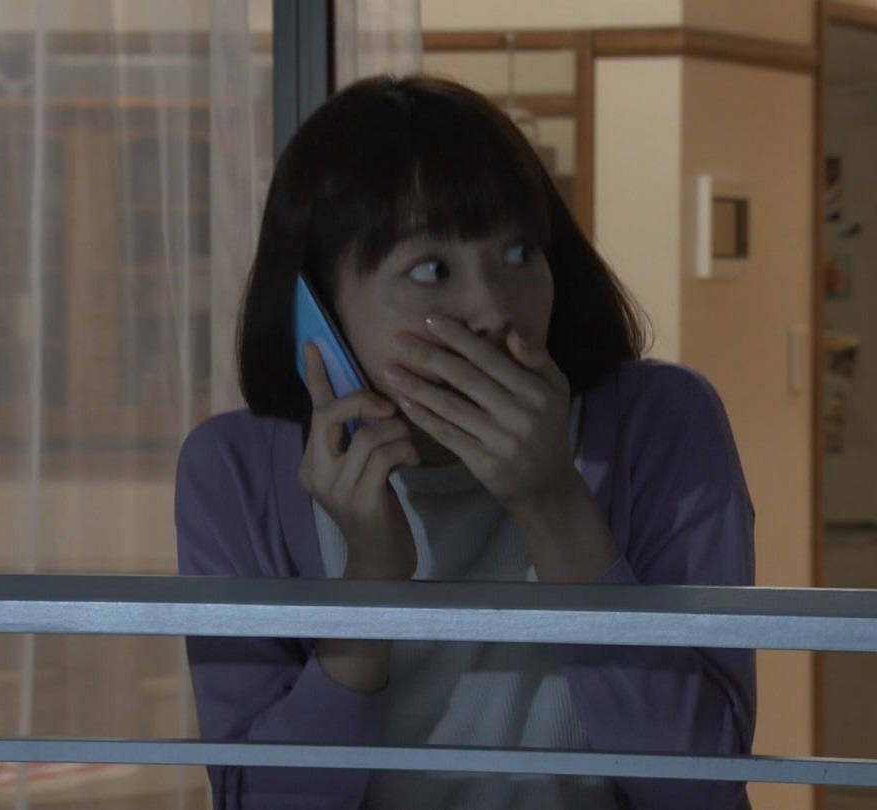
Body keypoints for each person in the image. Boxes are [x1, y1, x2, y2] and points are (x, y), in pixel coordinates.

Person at [175, 75, 756, 810]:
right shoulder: (235, 469)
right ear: (317, 308)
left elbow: (702, 785)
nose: (493, 309)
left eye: (519, 254)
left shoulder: (661, 420)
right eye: (430, 270)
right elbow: (259, 801)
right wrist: (369, 583)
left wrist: (553, 501)